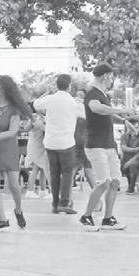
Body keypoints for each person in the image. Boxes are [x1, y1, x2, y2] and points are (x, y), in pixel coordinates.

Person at [79, 63, 132, 231]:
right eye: (112, 77)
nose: (112, 81)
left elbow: (107, 113)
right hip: (96, 145)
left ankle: (108, 219)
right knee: (104, 182)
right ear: (105, 76)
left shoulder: (103, 94)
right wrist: (121, 110)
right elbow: (96, 108)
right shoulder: (92, 93)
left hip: (109, 144)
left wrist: (124, 120)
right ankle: (86, 217)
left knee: (115, 181)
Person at [34, 74, 84, 214]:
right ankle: (64, 202)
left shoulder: (50, 99)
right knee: (67, 173)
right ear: (69, 86)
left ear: (57, 85)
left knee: (54, 173)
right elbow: (87, 113)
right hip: (67, 143)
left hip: (50, 142)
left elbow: (36, 104)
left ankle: (55, 204)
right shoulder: (73, 102)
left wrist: (47, 93)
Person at [0, 75, 32, 230]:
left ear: (4, 89)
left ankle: (18, 210)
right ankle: (3, 220)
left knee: (14, 185)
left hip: (8, 149)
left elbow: (12, 132)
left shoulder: (14, 109)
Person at [24, 111, 51, 199]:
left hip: (43, 146)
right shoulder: (34, 117)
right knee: (35, 167)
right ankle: (30, 190)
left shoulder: (47, 117)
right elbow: (26, 128)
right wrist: (32, 120)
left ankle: (43, 190)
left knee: (43, 168)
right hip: (35, 145)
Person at [120, 120, 139, 195]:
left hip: (138, 158)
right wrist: (136, 149)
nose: (135, 129)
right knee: (121, 165)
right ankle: (123, 185)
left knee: (132, 165)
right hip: (126, 157)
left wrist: (130, 161)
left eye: (137, 127)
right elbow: (123, 148)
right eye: (132, 128)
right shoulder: (124, 136)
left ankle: (131, 188)